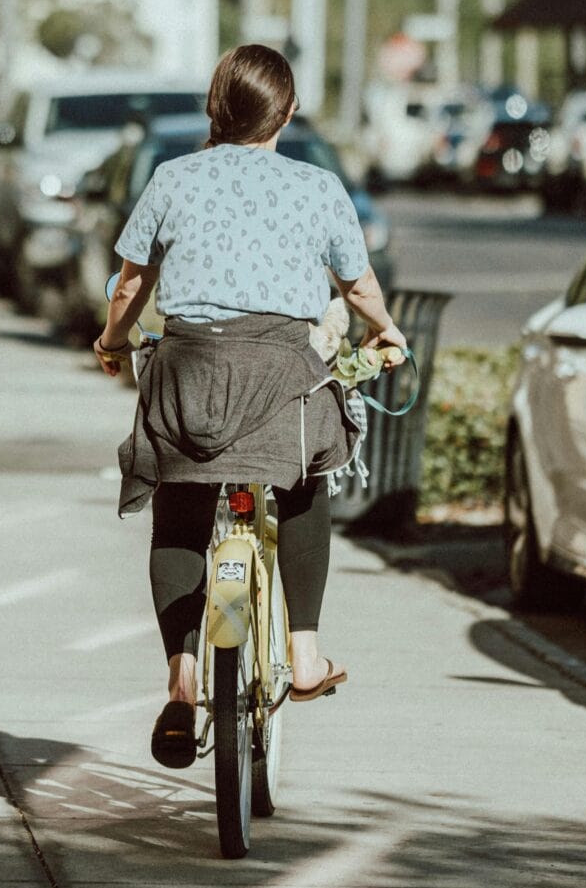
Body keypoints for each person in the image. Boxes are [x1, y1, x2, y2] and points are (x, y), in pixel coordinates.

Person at [94, 43, 407, 769]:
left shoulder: (172, 178)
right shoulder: (318, 185)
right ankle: (304, 654)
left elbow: (128, 285)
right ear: (288, 113)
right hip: (281, 376)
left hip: (189, 372)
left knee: (179, 503)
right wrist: (384, 330)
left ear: (215, 107)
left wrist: (113, 340)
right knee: (305, 478)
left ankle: (180, 682)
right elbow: (358, 289)